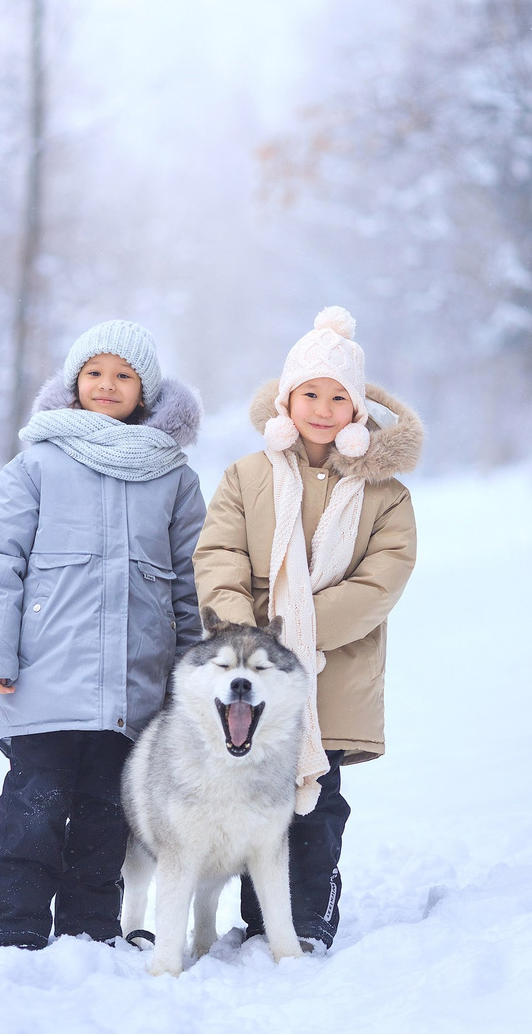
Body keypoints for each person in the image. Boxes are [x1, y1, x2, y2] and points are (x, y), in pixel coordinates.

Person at [0, 321, 206, 949]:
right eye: (95, 372)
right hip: (43, 679)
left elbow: (191, 585)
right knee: (33, 812)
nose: (107, 385)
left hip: (134, 688)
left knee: (107, 820)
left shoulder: (173, 477)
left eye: (124, 375)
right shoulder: (37, 463)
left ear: (145, 392)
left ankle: (90, 934)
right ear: (74, 383)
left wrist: (188, 678)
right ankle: (15, 934)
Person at [197, 307, 424, 951]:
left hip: (334, 669)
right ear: (286, 399)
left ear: (356, 411)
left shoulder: (386, 494)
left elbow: (384, 578)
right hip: (258, 671)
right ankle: (263, 918)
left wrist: (299, 633)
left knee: (319, 801)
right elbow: (219, 557)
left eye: (338, 397)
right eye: (310, 395)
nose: (323, 409)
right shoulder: (246, 477)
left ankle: (311, 919)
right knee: (258, 794)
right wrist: (250, 640)